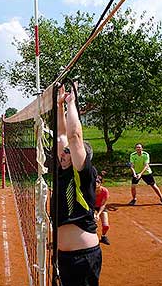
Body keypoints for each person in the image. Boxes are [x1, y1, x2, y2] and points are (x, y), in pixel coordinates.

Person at [55, 82, 101, 286]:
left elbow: (73, 138)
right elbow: (62, 137)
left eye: (68, 152)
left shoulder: (83, 174)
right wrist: (59, 106)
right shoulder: (63, 172)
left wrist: (72, 102)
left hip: (84, 257)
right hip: (64, 257)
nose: (64, 153)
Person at [95, 172, 110, 245]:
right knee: (93, 225)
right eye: (95, 182)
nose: (96, 183)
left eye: (98, 182)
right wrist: (93, 213)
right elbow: (88, 203)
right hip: (91, 207)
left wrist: (98, 214)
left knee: (106, 226)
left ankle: (103, 236)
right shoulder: (90, 190)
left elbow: (103, 204)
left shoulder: (105, 191)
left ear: (101, 183)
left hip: (100, 207)